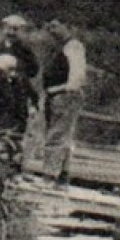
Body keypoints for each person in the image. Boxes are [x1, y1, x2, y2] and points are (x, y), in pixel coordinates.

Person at [40, 19, 87, 181]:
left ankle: (49, 175)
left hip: (65, 96)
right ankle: (62, 174)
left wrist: (57, 89)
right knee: (63, 136)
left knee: (56, 135)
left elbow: (77, 79)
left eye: (55, 26)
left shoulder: (73, 46)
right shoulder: (62, 47)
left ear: (67, 27)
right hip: (59, 96)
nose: (51, 30)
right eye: (49, 27)